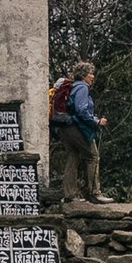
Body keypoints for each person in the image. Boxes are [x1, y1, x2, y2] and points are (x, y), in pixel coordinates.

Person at [47, 59, 107, 203]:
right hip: (76, 128)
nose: (93, 76)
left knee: (73, 157)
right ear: (84, 75)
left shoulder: (73, 87)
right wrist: (96, 121)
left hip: (65, 127)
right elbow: (81, 110)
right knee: (93, 156)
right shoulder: (82, 87)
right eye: (91, 73)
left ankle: (70, 195)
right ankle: (95, 193)